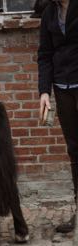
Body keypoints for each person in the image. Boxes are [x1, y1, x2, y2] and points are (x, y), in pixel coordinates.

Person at [38, 0, 78, 233]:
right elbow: (44, 55)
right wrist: (44, 92)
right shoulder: (49, 14)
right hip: (62, 89)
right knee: (74, 149)